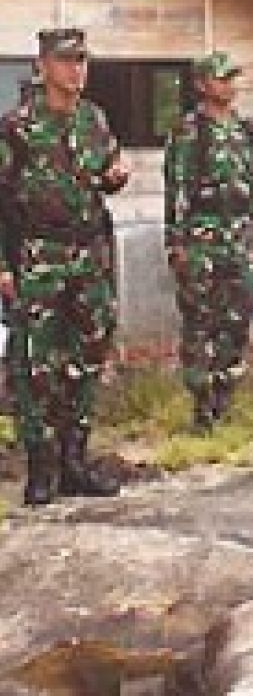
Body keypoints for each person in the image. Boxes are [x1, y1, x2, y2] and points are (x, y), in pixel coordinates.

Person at [0, 28, 131, 506]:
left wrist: (115, 177)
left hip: (89, 256)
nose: (77, 69)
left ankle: (74, 460)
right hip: (39, 255)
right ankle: (40, 467)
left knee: (87, 355)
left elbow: (106, 171)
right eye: (67, 61)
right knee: (33, 364)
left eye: (82, 60)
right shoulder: (16, 126)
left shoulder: (94, 120)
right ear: (43, 65)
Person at [164, 52, 253, 434]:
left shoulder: (248, 131)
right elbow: (176, 189)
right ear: (202, 84)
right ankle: (202, 409)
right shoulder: (188, 131)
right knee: (199, 324)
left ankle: (226, 400)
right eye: (221, 78)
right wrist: (176, 243)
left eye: (232, 77)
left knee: (237, 321)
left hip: (239, 239)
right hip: (200, 241)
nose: (229, 85)